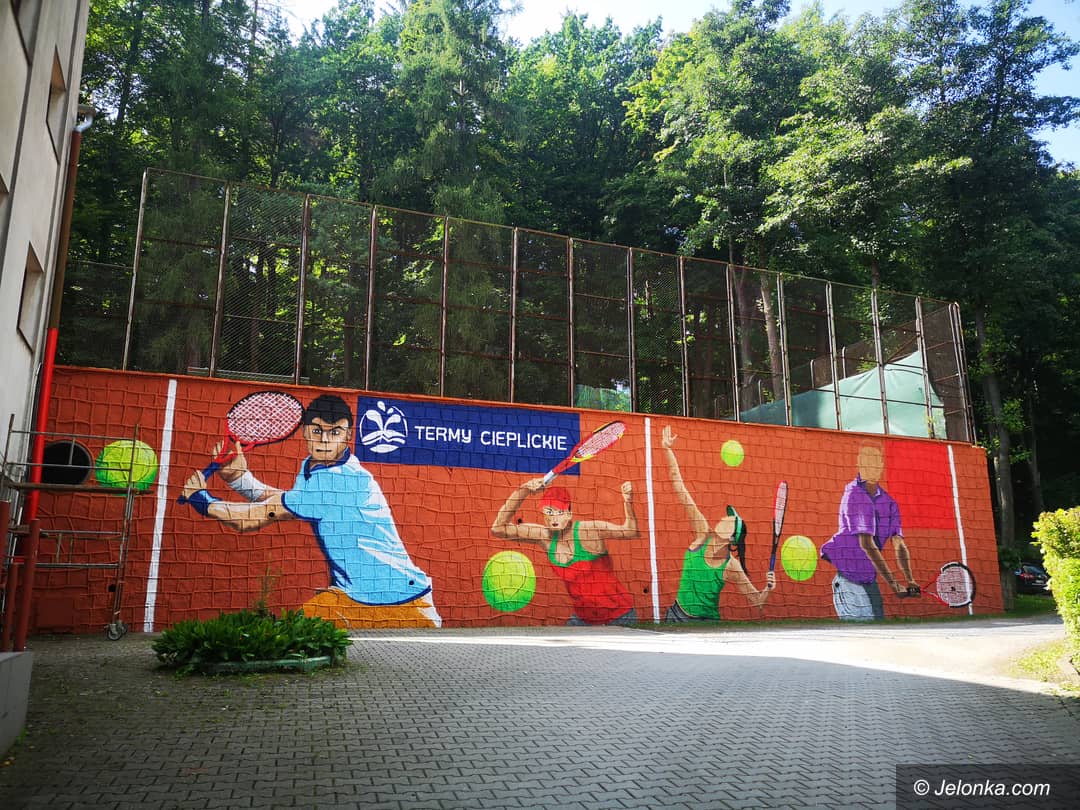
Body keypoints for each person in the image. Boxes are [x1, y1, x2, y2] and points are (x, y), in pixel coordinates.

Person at [182, 394, 440, 629]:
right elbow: (289, 503)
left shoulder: (339, 478)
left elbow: (251, 519)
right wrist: (239, 479)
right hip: (358, 597)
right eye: (317, 431)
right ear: (305, 431)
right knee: (299, 632)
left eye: (335, 432)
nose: (325, 440)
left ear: (347, 435)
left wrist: (202, 500)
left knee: (296, 634)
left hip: (403, 604)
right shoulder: (315, 467)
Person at [660, 426, 775, 621]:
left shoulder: (731, 566)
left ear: (731, 537)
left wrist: (768, 588)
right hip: (675, 615)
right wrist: (667, 449)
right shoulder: (702, 533)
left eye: (729, 521)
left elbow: (757, 602)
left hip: (706, 623)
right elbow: (679, 486)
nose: (723, 519)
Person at [491, 476, 638, 626]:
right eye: (549, 512)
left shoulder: (588, 531)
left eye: (559, 512)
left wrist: (628, 501)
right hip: (583, 619)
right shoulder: (545, 537)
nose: (554, 518)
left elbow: (630, 531)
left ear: (569, 514)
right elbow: (498, 528)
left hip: (619, 615)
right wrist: (524, 490)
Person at [820, 443, 917, 621]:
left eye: (874, 461)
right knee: (861, 632)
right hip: (849, 581)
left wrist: (910, 579)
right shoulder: (854, 494)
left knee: (879, 630)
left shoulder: (889, 503)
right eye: (866, 462)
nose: (871, 466)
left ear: (881, 465)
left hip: (870, 581)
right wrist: (895, 585)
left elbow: (899, 544)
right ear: (859, 464)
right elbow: (867, 544)